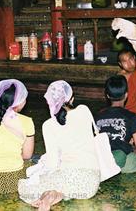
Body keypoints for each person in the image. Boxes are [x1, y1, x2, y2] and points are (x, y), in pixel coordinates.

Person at [18, 80, 100, 211]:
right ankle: (56, 194)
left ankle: (49, 195)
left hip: (68, 176)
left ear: (49, 103)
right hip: (90, 183)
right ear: (72, 98)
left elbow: (52, 163)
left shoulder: (49, 125)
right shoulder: (84, 110)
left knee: (25, 186)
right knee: (62, 183)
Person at [0, 79, 34, 194]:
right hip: (12, 181)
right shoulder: (27, 121)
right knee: (33, 163)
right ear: (21, 102)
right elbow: (26, 155)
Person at [94, 75, 136, 173]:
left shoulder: (97, 116)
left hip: (100, 160)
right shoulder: (131, 116)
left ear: (107, 96)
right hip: (122, 164)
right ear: (126, 95)